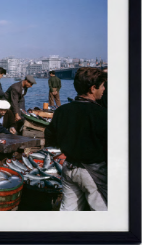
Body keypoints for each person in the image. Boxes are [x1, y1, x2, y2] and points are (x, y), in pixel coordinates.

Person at [44, 67, 107, 211]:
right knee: (102, 213)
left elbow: (49, 136)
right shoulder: (102, 114)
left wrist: (62, 152)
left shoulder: (62, 111)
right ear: (93, 88)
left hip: (69, 168)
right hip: (93, 173)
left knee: (68, 211)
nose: (104, 89)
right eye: (102, 86)